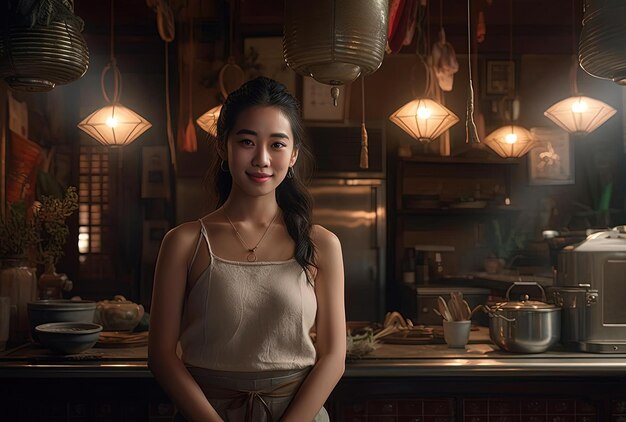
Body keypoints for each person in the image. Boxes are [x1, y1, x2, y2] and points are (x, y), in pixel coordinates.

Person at [148, 76, 346, 422]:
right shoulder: (185, 243)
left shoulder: (322, 244)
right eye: (247, 141)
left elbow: (333, 356)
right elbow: (162, 356)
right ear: (224, 148)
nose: (262, 159)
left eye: (277, 144)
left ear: (294, 154)